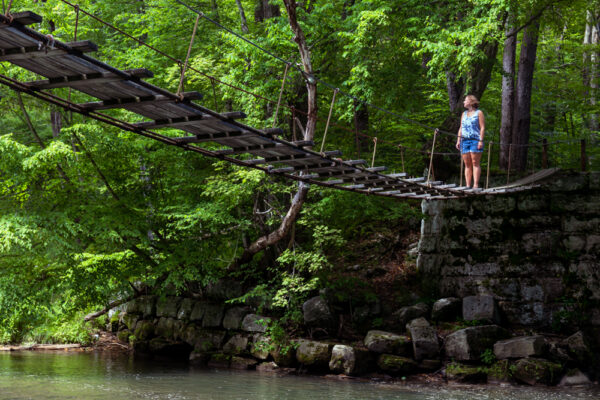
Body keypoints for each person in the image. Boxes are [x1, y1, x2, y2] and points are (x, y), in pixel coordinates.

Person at [455, 95, 485, 189]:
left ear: (471, 102)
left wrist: (481, 140)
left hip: (475, 140)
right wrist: (458, 140)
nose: (463, 102)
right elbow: (461, 127)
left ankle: (475, 185)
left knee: (475, 162)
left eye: (465, 100)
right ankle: (468, 185)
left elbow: (482, 127)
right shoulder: (463, 114)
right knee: (467, 164)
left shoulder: (479, 113)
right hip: (464, 141)